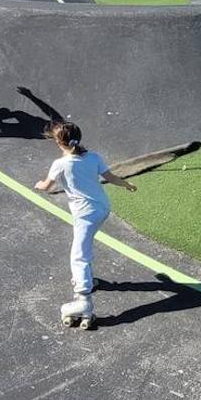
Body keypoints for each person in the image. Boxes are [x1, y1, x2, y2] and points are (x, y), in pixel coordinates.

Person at [35, 121, 137, 329]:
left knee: (78, 255)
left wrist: (39, 185)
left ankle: (83, 300)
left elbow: (47, 186)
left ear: (58, 142)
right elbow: (110, 177)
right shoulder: (93, 157)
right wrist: (127, 184)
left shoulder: (60, 164)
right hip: (102, 209)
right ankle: (89, 279)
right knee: (85, 244)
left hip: (85, 216)